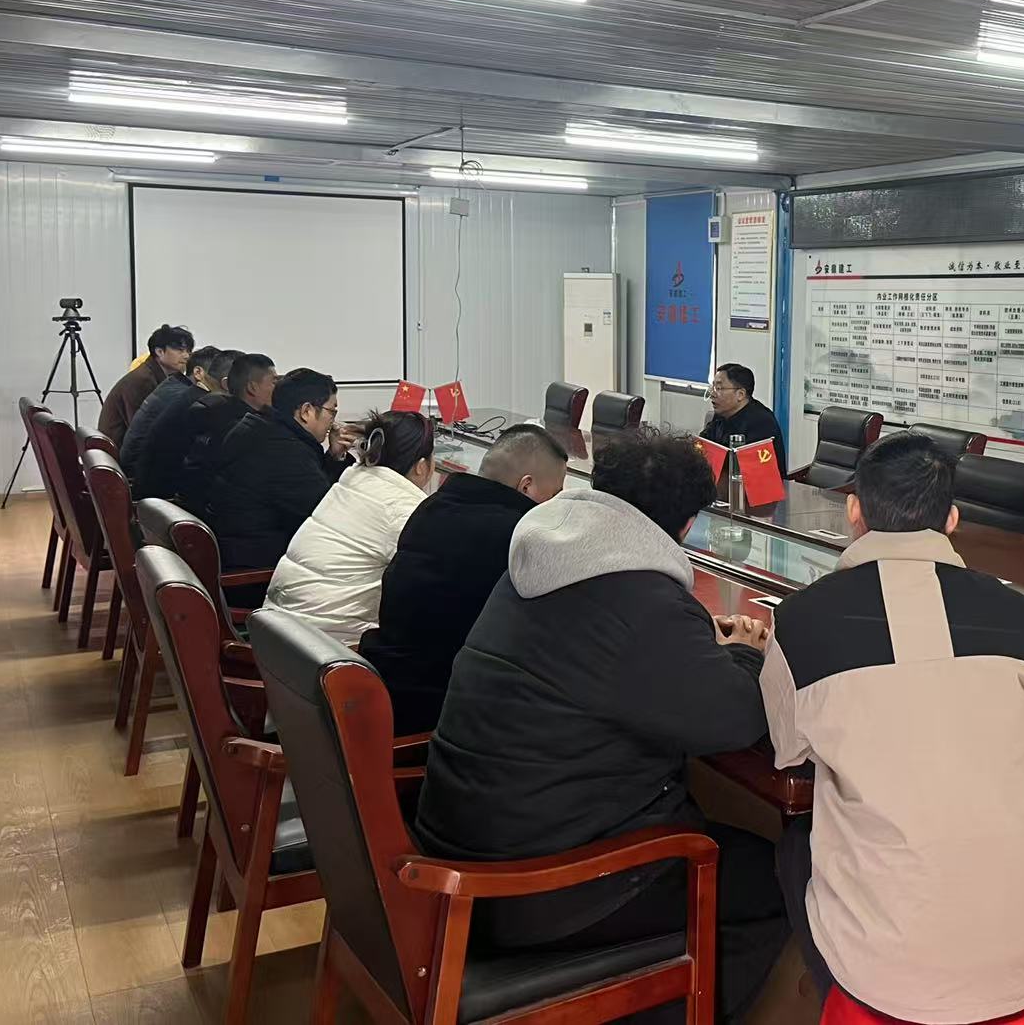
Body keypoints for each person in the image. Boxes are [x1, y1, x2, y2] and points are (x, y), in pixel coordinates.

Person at [417, 429, 786, 1022]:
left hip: (460, 851)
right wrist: (744, 652)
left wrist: (694, 646)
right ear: (686, 525)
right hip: (542, 890)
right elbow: (734, 719)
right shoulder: (641, 598)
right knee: (779, 877)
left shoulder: (538, 563)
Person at [761, 431, 1024, 1021]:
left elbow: (788, 752)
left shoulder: (800, 621)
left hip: (883, 971)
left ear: (854, 511)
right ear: (951, 520)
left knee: (797, 838)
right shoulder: (1023, 617)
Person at [361, 424, 569, 734]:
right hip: (440, 717)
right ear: (526, 487)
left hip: (386, 687)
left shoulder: (431, 508)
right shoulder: (516, 537)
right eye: (554, 496)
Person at [264, 411, 435, 646]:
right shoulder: (403, 508)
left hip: (276, 632)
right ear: (422, 466)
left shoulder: (352, 479)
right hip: (327, 648)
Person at [204, 368, 355, 569]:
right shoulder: (285, 449)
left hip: (237, 545)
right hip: (257, 565)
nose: (333, 421)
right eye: (332, 411)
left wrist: (334, 457)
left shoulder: (259, 427)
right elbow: (325, 515)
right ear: (306, 411)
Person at [120, 344, 219, 497]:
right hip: (141, 478)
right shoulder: (188, 397)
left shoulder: (174, 384)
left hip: (138, 471)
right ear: (198, 372)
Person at [179, 352, 273, 512]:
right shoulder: (242, 426)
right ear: (252, 387)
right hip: (215, 513)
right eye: (274, 382)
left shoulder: (217, 406)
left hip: (195, 504)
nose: (278, 389)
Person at [98, 324, 193, 447]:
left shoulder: (154, 374)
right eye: (180, 350)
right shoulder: (142, 380)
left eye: (188, 351)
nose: (186, 356)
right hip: (121, 450)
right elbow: (141, 429)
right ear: (159, 352)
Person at [700, 363, 786, 475]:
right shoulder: (722, 413)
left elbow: (749, 468)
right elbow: (703, 443)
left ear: (740, 394)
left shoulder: (762, 422)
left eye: (719, 388)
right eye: (713, 387)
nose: (712, 394)